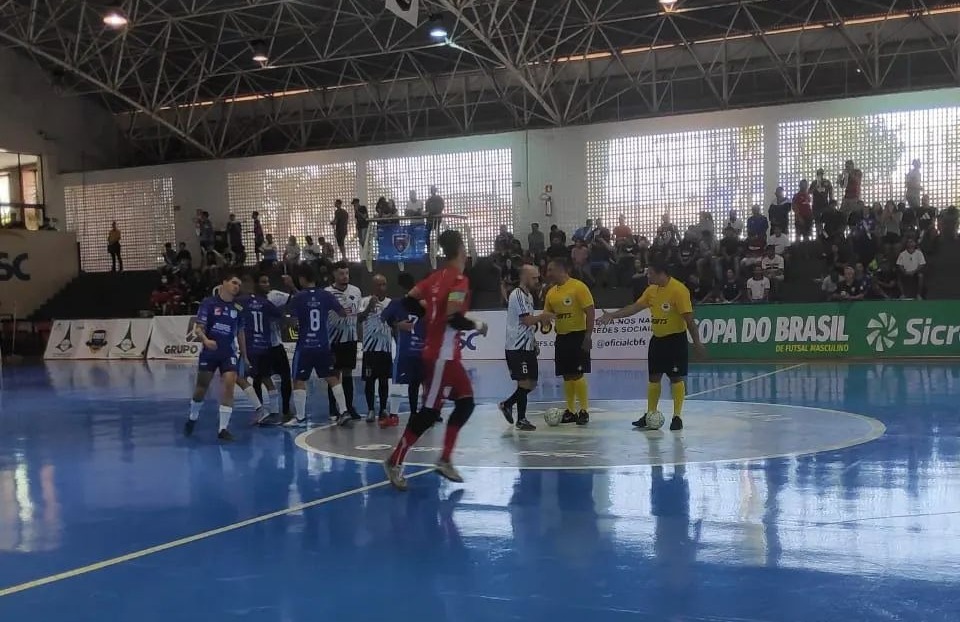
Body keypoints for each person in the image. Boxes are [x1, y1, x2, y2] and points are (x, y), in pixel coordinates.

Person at [383, 230, 486, 491]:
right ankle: (395, 461)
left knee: (466, 404)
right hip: (442, 357)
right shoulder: (459, 280)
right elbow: (453, 318)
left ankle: (445, 458)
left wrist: (428, 315)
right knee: (429, 413)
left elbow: (408, 300)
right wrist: (478, 324)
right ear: (461, 249)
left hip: (445, 355)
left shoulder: (434, 278)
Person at [598, 259, 706, 431]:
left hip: (675, 340)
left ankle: (677, 416)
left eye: (650, 273)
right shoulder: (651, 290)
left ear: (661, 273)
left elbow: (689, 320)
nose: (647, 275)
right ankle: (650, 414)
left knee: (675, 378)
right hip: (657, 339)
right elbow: (634, 308)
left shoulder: (679, 290)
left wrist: (697, 342)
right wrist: (613, 316)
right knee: (653, 377)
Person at [184, 270, 247, 442]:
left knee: (229, 385)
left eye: (239, 285)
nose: (237, 287)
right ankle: (192, 417)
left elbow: (241, 332)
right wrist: (205, 340)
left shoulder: (238, 308)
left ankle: (223, 429)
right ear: (224, 283)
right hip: (210, 351)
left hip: (228, 352)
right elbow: (198, 328)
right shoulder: (209, 303)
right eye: (234, 283)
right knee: (201, 388)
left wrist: (245, 355)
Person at [285, 265, 349, 426]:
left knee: (299, 379)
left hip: (305, 346)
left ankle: (300, 417)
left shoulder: (298, 298)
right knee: (332, 378)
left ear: (302, 279)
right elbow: (342, 313)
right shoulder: (326, 295)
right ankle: (344, 411)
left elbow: (292, 322)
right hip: (322, 344)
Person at [499, 265, 554, 431]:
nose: (537, 281)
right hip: (517, 347)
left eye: (538, 278)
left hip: (527, 345)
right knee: (524, 383)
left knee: (532, 383)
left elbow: (528, 325)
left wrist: (534, 342)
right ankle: (520, 418)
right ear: (524, 277)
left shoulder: (528, 296)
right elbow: (527, 321)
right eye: (534, 278)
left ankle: (507, 405)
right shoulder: (517, 295)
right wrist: (544, 316)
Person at [543, 257, 595, 425]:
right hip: (562, 338)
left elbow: (590, 311)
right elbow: (547, 315)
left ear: (561, 269)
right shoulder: (551, 293)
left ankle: (584, 410)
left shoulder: (578, 287)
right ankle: (571, 410)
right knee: (566, 375)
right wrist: (545, 323)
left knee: (577, 374)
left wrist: (588, 335)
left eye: (550, 270)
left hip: (578, 336)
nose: (548, 273)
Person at [239, 272, 287, 425]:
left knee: (239, 377)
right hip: (265, 346)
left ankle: (260, 409)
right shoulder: (264, 302)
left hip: (251, 346)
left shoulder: (240, 301)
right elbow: (279, 315)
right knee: (266, 378)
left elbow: (230, 310)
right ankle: (274, 412)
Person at [380, 272, 426, 429]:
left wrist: (396, 324)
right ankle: (420, 413)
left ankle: (395, 415)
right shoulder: (423, 305)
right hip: (420, 349)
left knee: (400, 382)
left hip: (407, 350)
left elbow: (384, 318)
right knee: (419, 383)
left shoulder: (398, 303)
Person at [325, 261, 362, 419]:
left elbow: (357, 314)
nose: (344, 276)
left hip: (350, 339)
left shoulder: (356, 291)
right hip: (333, 340)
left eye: (346, 273)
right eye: (341, 273)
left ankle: (349, 406)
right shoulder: (327, 293)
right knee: (334, 374)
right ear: (334, 274)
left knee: (348, 373)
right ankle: (334, 409)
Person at [358, 274, 392, 423]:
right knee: (370, 381)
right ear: (373, 286)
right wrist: (369, 308)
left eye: (384, 284)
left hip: (385, 349)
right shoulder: (365, 301)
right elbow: (359, 319)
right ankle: (371, 409)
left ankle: (383, 408)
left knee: (384, 381)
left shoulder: (391, 303)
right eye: (379, 285)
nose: (382, 287)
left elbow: (394, 324)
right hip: (370, 349)